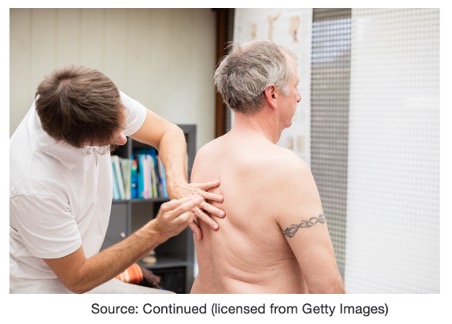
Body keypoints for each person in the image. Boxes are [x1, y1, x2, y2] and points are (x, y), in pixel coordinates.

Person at [9, 65, 224, 294]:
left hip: (82, 269)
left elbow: (167, 133)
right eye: (110, 138)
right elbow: (77, 279)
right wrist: (158, 231)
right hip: (42, 286)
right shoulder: (32, 185)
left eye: (123, 126)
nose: (123, 139)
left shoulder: (88, 97)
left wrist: (177, 183)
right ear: (76, 142)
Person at [190, 40, 344, 294]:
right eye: (295, 86)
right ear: (272, 94)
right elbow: (327, 288)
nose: (299, 95)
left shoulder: (206, 155)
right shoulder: (285, 169)